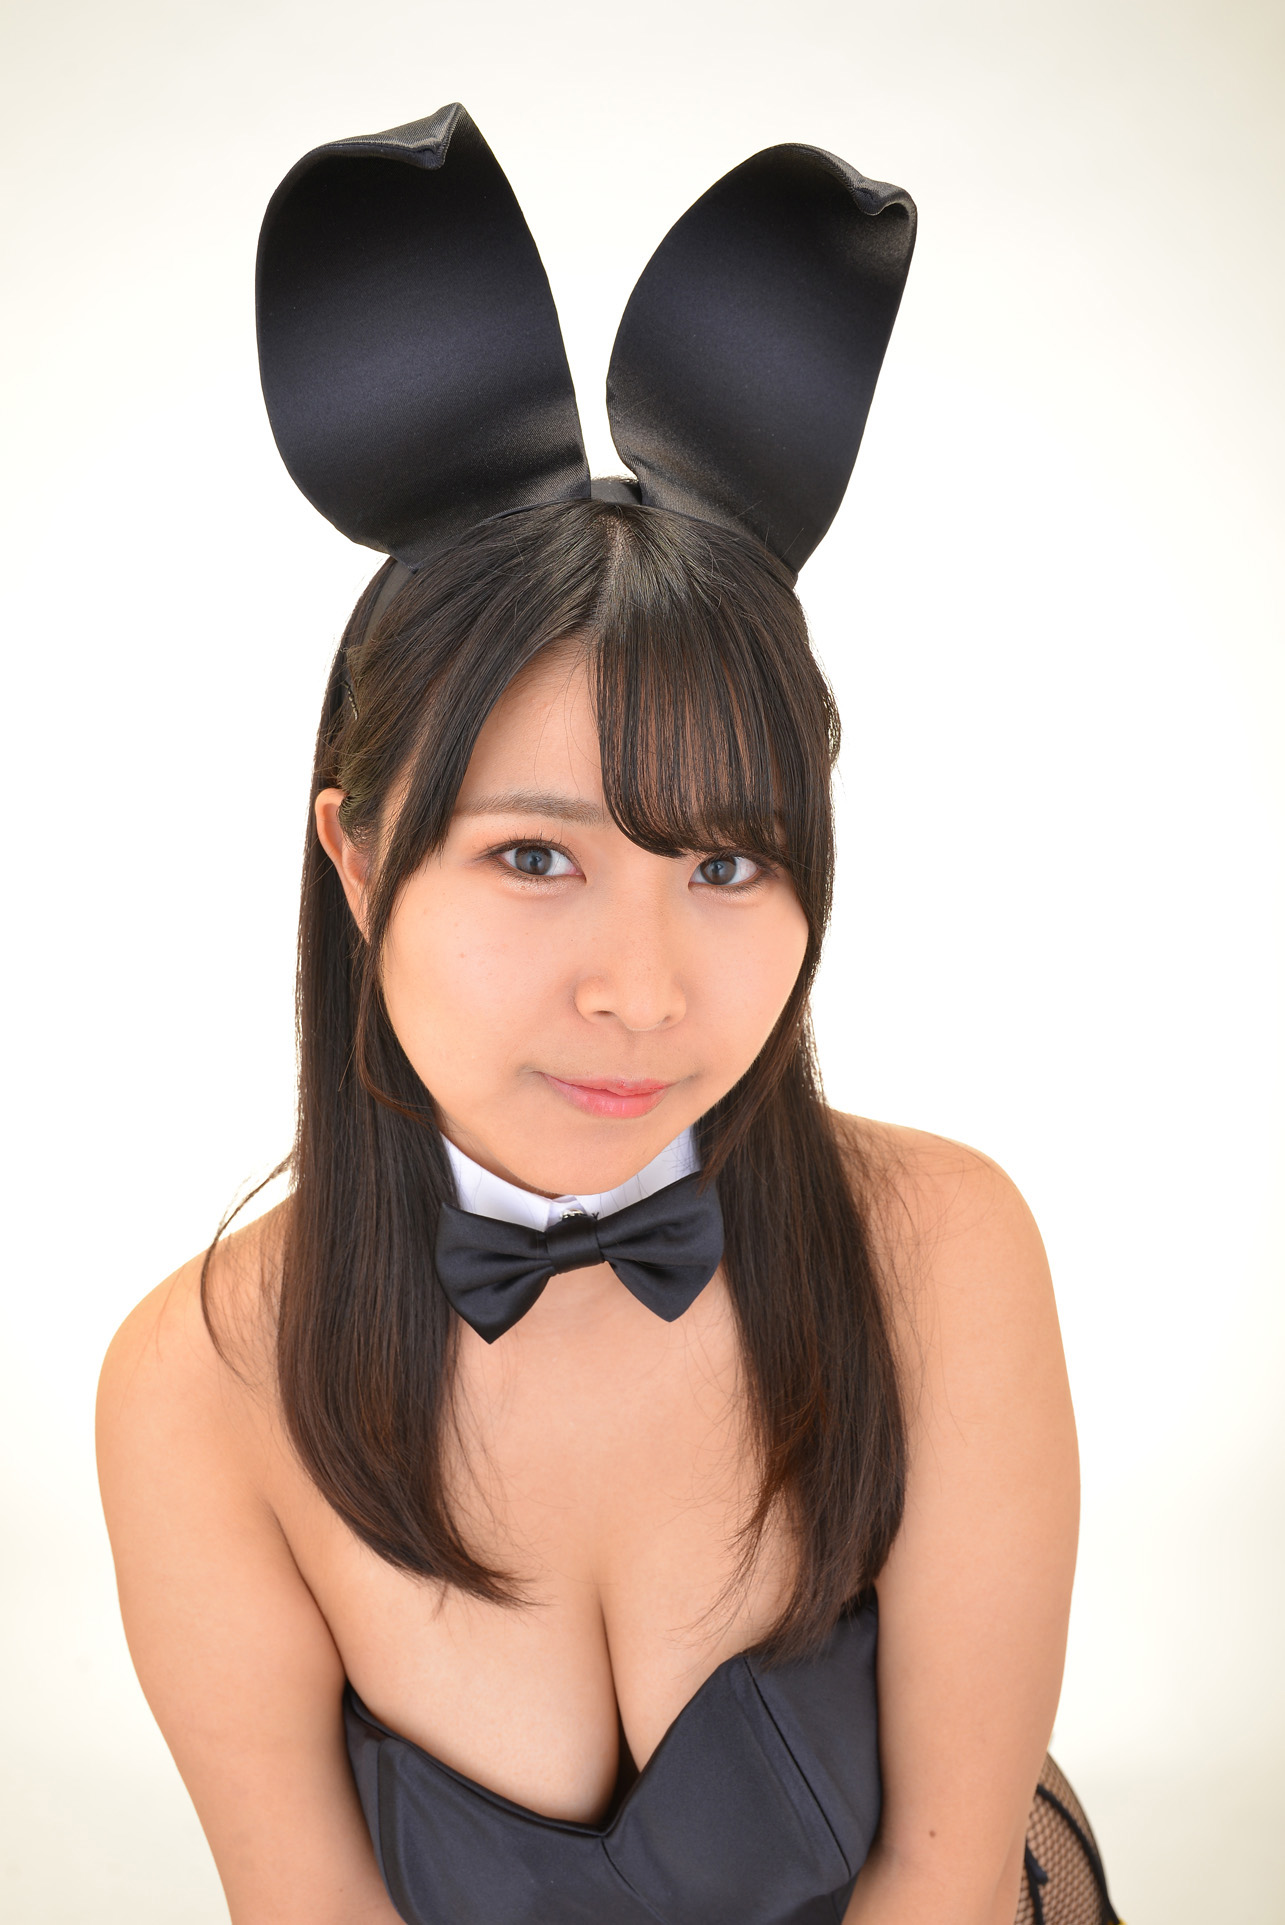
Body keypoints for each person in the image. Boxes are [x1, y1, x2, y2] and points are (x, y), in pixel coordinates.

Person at [96, 106, 1117, 1925]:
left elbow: (941, 1877)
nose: (640, 990)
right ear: (356, 858)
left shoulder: (942, 1253)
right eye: (533, 857)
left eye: (724, 863)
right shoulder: (199, 1392)